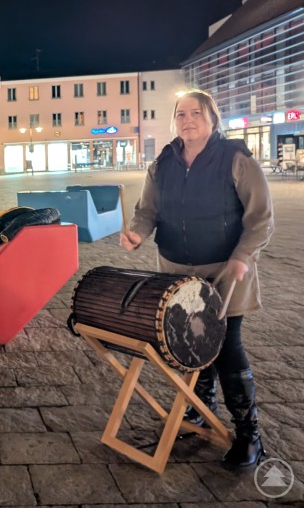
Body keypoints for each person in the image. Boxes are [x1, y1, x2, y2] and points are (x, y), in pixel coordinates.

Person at [121, 90, 273, 471]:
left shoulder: (236, 158)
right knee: (190, 346)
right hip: (176, 270)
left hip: (225, 271)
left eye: (196, 113)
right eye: (181, 114)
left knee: (227, 347)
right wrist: (137, 233)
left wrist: (242, 256)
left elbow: (261, 218)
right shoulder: (162, 163)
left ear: (212, 118)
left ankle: (249, 435)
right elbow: (147, 211)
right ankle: (200, 412)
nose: (188, 120)